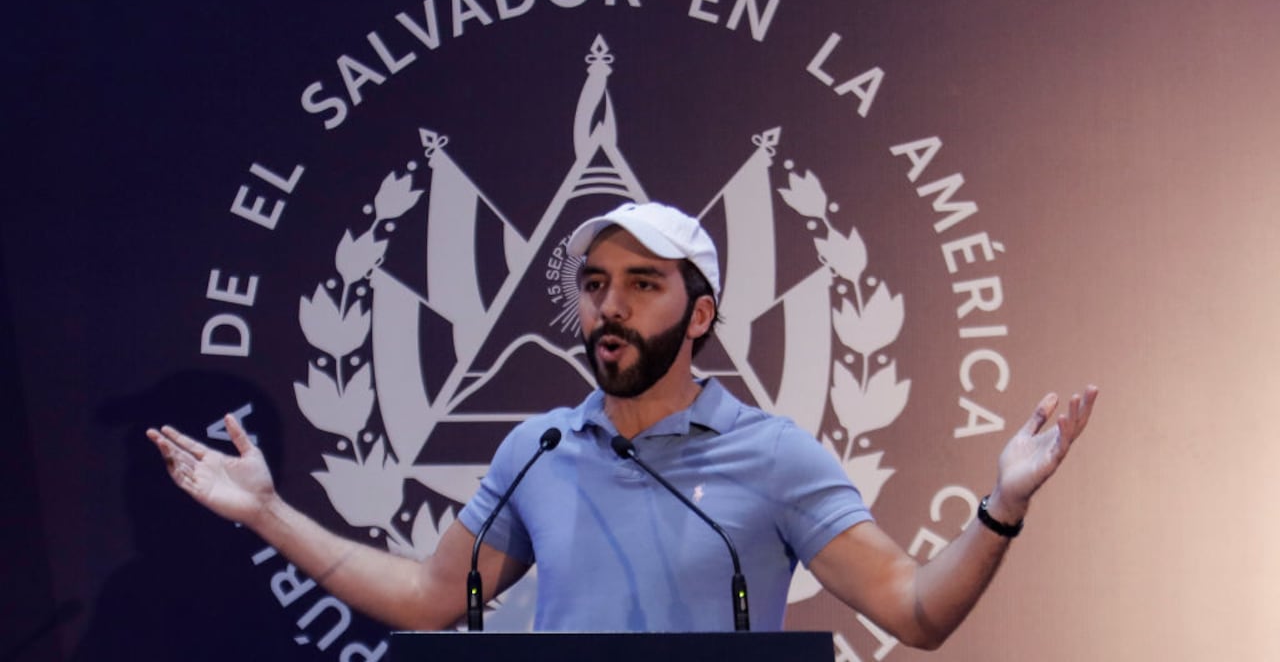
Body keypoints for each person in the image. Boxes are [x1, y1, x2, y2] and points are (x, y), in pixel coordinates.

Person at [148, 201, 1098, 648]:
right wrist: (270, 513)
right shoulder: (540, 450)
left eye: (643, 285)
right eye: (595, 285)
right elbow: (433, 597)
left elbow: (916, 612)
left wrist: (1003, 502)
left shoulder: (771, 456)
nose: (610, 306)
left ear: (699, 314)